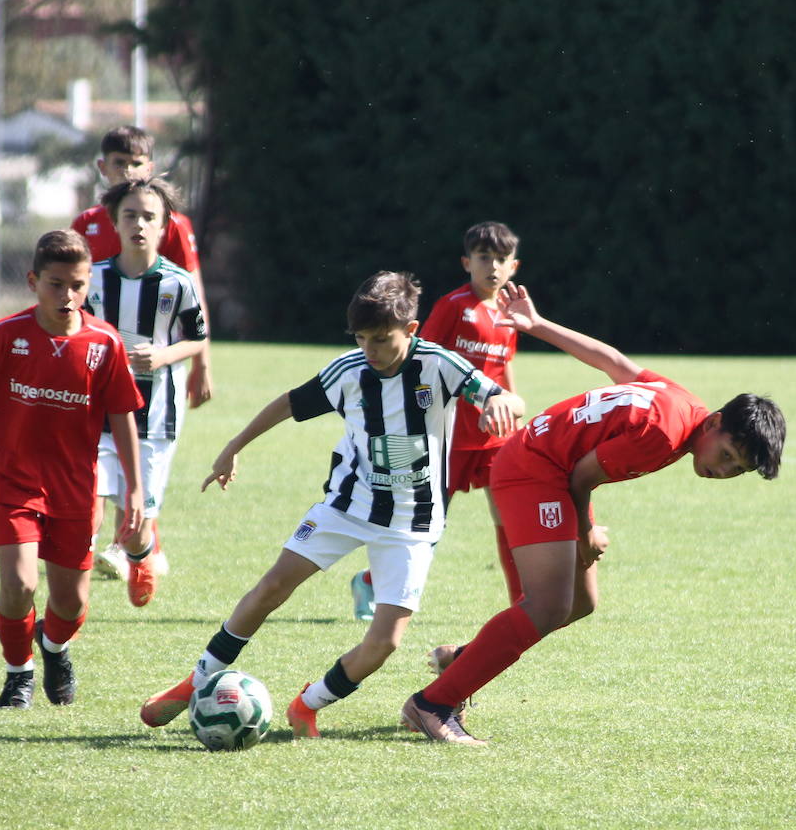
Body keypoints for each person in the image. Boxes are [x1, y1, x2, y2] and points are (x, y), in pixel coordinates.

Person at [138, 272, 525, 738]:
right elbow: (287, 403)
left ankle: (308, 703)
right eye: (362, 339)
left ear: (413, 330)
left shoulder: (439, 365)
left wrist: (503, 403)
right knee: (271, 588)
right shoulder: (348, 372)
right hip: (345, 506)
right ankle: (194, 683)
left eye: (381, 339)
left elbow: (507, 397)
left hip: (412, 523)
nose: (371, 350)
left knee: (384, 643)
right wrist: (234, 445)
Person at [399, 284, 786, 745]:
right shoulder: (663, 435)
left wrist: (539, 325)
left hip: (550, 466)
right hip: (535, 470)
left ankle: (463, 659)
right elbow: (580, 478)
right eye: (726, 456)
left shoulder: (682, 401)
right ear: (716, 422)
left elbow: (612, 361)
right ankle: (432, 704)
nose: (723, 470)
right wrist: (587, 531)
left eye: (736, 471)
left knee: (581, 603)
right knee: (547, 606)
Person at [0, 229, 145, 709]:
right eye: (56, 284)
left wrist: (136, 491)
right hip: (13, 482)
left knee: (71, 603)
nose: (67, 295)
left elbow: (123, 418)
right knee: (20, 583)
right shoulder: (5, 335)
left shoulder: (105, 343)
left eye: (77, 285)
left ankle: (54, 647)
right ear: (34, 281)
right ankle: (19, 674)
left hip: (76, 490)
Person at [349, 221, 523, 621]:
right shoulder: (454, 306)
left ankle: (522, 601)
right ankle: (373, 582)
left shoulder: (508, 314)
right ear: (467, 262)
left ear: (514, 266)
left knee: (508, 515)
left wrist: (510, 410)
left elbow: (503, 371)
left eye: (501, 260)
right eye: (483, 258)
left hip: (494, 437)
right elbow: (421, 358)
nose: (492, 267)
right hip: (448, 437)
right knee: (430, 523)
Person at [72, 125, 211, 583]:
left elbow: (198, 328)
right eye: (129, 216)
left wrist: (182, 361)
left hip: (156, 412)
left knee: (137, 518)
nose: (138, 224)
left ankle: (138, 553)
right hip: (97, 406)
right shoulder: (94, 266)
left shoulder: (175, 275)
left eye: (147, 218)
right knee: (87, 490)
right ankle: (77, 564)